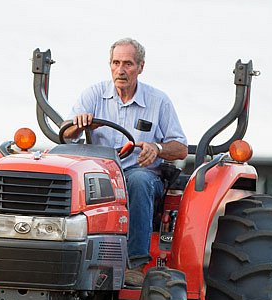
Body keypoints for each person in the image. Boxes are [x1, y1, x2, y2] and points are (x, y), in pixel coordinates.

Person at [63, 38, 188, 286]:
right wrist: (79, 124)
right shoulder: (94, 94)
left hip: (139, 174)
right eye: (116, 62)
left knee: (139, 180)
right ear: (109, 65)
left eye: (128, 64)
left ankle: (136, 264)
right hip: (99, 175)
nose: (121, 70)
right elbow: (66, 133)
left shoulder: (158, 101)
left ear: (140, 67)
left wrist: (158, 148)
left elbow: (181, 148)